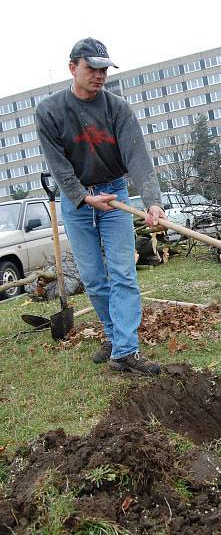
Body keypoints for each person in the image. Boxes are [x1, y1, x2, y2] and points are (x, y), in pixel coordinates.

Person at [36, 37, 165, 375]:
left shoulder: (117, 108)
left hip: (114, 195)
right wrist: (81, 195)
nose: (99, 74)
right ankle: (114, 334)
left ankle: (125, 351)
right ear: (73, 68)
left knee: (123, 273)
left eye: (104, 68)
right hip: (77, 201)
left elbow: (137, 156)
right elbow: (58, 163)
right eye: (91, 67)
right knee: (93, 279)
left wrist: (153, 202)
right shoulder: (49, 111)